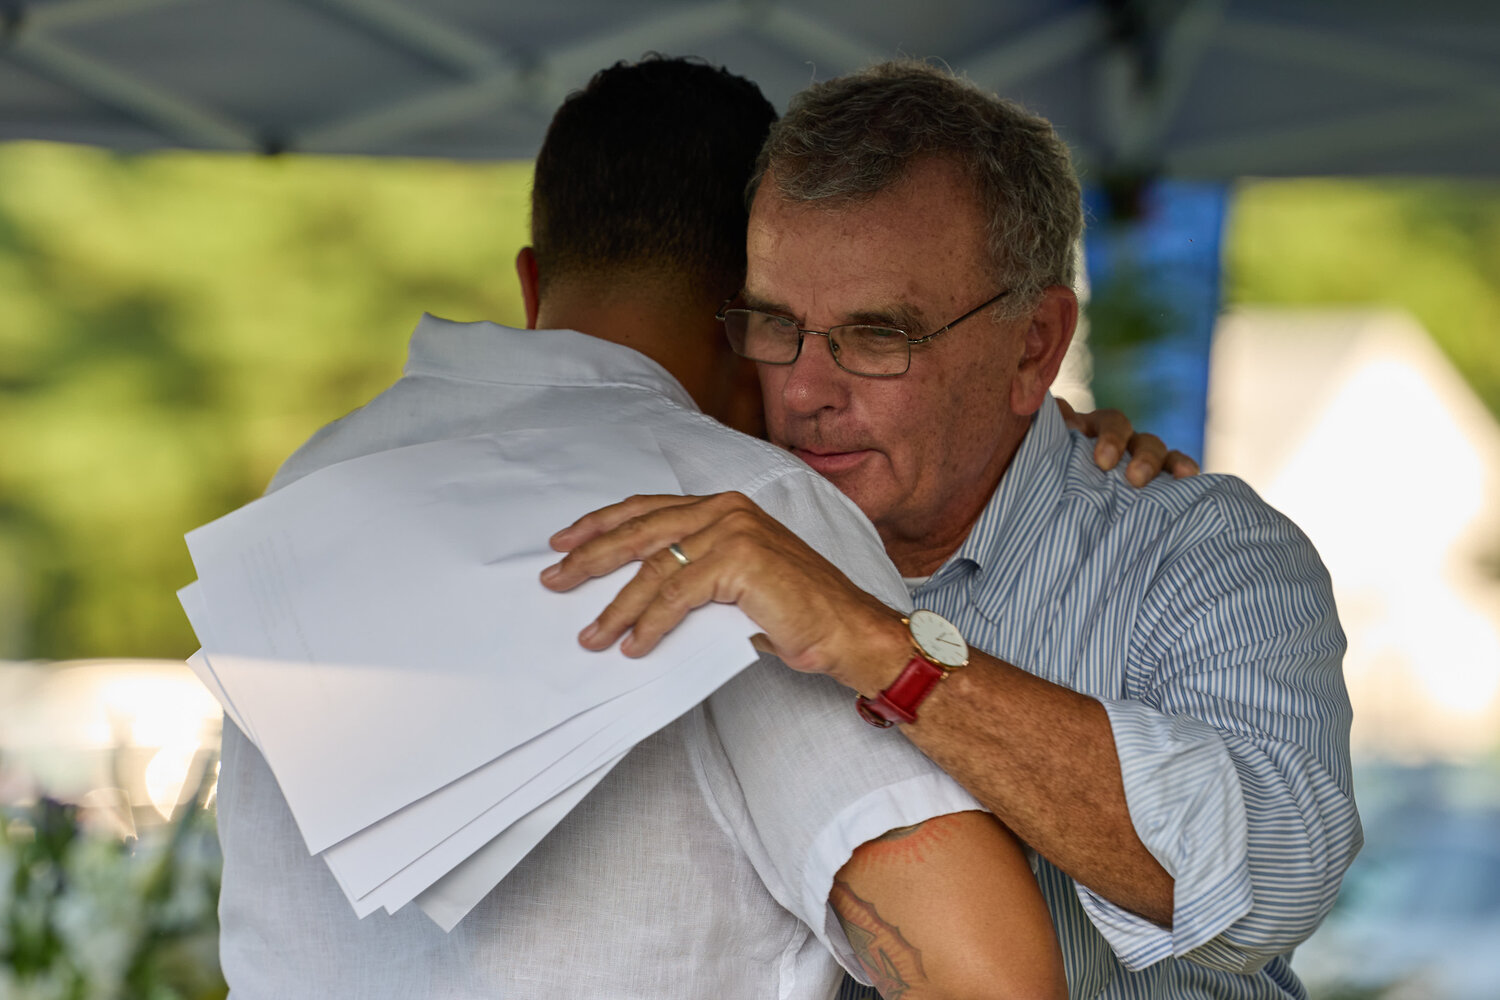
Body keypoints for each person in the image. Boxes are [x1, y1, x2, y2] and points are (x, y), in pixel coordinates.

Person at [215, 56, 1082, 1000]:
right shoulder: (742, 509)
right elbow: (989, 977)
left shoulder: (308, 481)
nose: (802, 384)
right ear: (748, 300)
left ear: (532, 281)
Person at [543, 60, 1363, 999]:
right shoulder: (719, 530)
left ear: (1034, 345)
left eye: (879, 336)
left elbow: (1274, 879)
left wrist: (889, 654)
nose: (804, 391)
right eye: (775, 324)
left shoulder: (1198, 552)